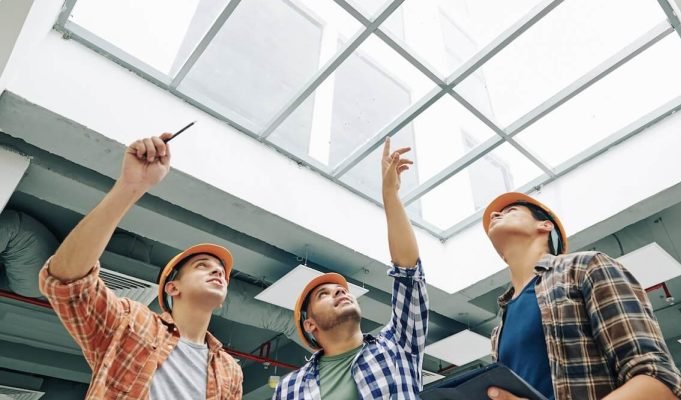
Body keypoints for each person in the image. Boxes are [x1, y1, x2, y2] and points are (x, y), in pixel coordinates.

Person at [39, 133, 243, 399]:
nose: (217, 271)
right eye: (202, 266)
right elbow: (67, 283)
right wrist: (129, 186)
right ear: (172, 287)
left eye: (221, 271)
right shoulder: (133, 321)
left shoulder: (230, 370)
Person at [481, 192, 681, 400]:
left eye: (510, 211)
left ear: (545, 225)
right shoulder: (499, 329)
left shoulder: (585, 267)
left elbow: (659, 383)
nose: (495, 215)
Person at [273, 137, 428, 399]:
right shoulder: (291, 388)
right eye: (324, 294)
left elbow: (409, 273)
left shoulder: (398, 345)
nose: (340, 292)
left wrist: (390, 195)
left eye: (341, 290)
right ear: (310, 325)